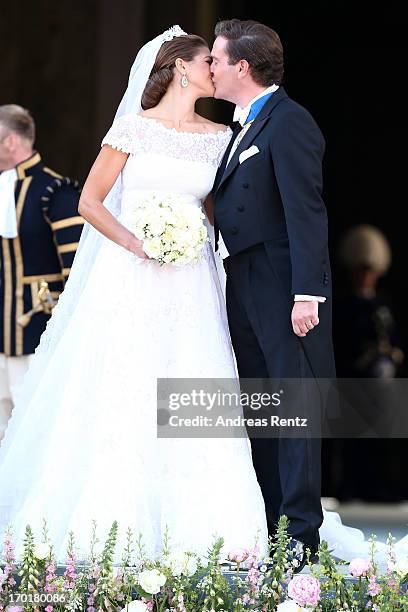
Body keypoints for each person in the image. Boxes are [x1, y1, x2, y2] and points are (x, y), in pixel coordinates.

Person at [0, 26, 269, 564]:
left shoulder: (218, 137)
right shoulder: (133, 129)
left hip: (193, 285)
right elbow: (92, 202)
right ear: (180, 69)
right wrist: (137, 242)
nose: (216, 70)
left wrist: (214, 252)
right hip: (132, 278)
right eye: (207, 62)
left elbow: (217, 216)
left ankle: (206, 537)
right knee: (127, 388)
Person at [0, 105, 84, 441]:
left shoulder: (55, 191)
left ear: (9, 142)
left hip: (36, 332)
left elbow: (76, 268)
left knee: (31, 429)